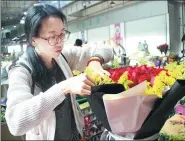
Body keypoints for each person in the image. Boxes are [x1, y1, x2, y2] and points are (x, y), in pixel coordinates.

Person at [5, 3, 113, 140]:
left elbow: (107, 49)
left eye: (62, 34)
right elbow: (16, 124)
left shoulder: (63, 56)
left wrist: (95, 61)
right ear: (33, 40)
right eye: (52, 37)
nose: (59, 42)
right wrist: (64, 87)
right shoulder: (21, 71)